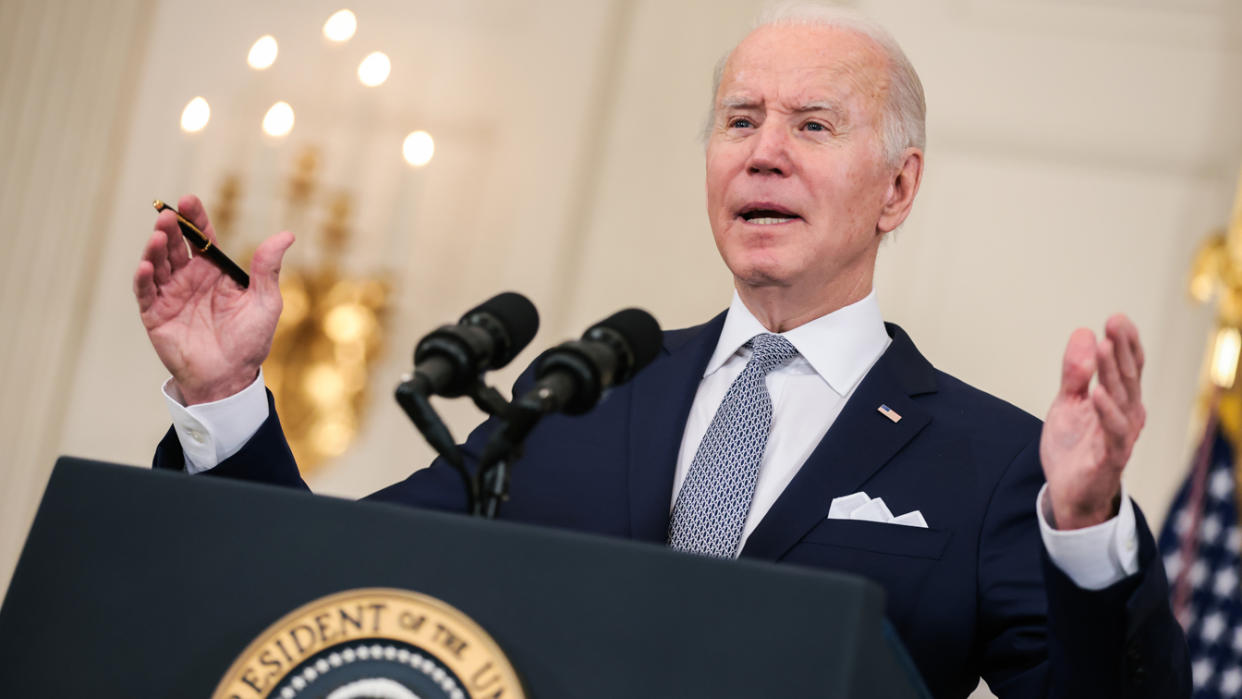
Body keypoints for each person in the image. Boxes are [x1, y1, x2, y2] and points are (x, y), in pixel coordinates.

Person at [134, 5, 1189, 697]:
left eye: (813, 125)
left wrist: (1086, 525)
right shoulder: (578, 398)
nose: (763, 150)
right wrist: (223, 393)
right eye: (739, 119)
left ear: (898, 188)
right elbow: (322, 581)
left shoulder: (998, 464)